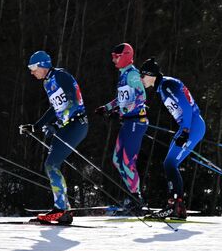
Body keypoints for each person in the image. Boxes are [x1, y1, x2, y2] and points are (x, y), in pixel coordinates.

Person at [18, 50, 88, 225]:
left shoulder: (61, 76)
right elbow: (54, 108)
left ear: (43, 65)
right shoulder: (47, 82)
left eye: (33, 67)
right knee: (51, 164)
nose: (31, 72)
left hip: (76, 124)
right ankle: (63, 209)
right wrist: (36, 126)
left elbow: (73, 102)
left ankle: (60, 209)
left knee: (51, 164)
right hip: (66, 126)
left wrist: (56, 125)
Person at [140, 57, 205, 219]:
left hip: (192, 125)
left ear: (151, 75)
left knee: (170, 163)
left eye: (142, 76)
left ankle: (175, 205)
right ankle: (177, 206)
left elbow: (187, 109)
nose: (141, 79)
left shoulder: (167, 85)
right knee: (169, 164)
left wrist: (185, 131)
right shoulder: (163, 86)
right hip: (189, 125)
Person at [99, 43, 149, 215]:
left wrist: (126, 109)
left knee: (127, 161)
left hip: (136, 122)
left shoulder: (132, 74)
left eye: (116, 56)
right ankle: (134, 196)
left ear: (126, 56)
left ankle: (137, 199)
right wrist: (107, 107)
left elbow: (142, 95)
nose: (113, 59)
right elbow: (122, 99)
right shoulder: (123, 75)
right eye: (113, 56)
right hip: (127, 122)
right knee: (116, 160)